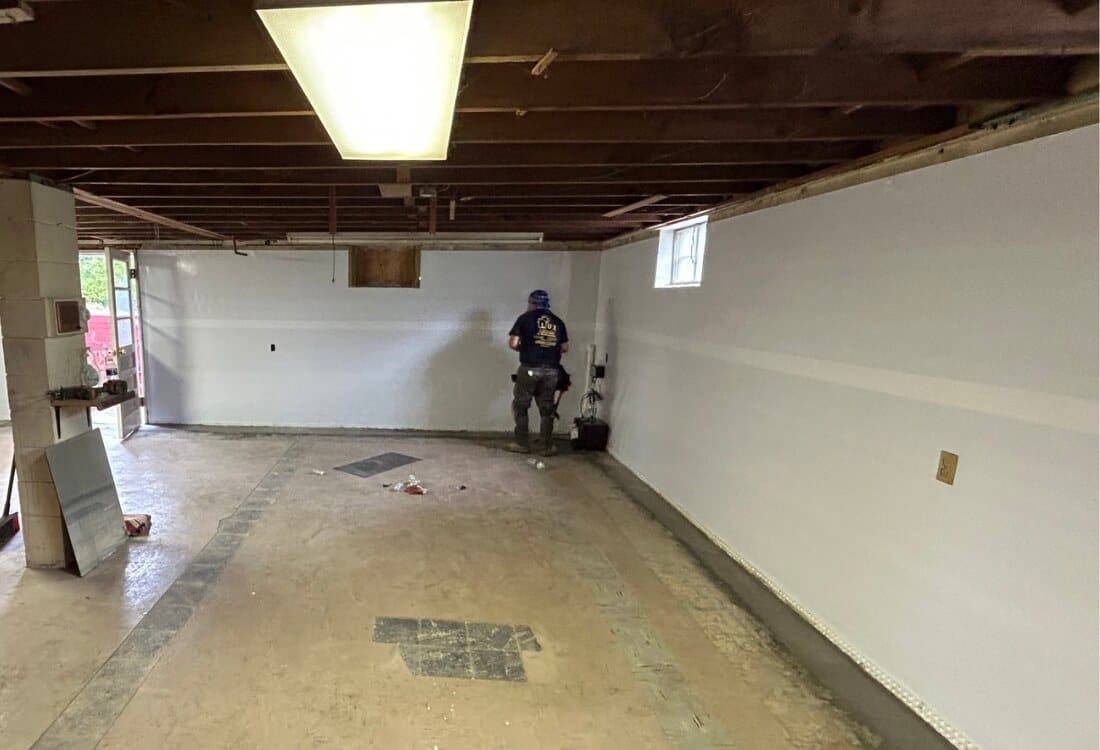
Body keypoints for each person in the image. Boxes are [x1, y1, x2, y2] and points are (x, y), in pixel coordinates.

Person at [506, 289, 569, 456]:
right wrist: (547, 350)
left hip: (529, 368)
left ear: (531, 303)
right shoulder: (558, 322)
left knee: (521, 405)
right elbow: (564, 347)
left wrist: (527, 349)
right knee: (547, 408)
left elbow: (513, 343)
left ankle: (522, 443)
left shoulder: (525, 319)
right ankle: (546, 446)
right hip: (551, 371)